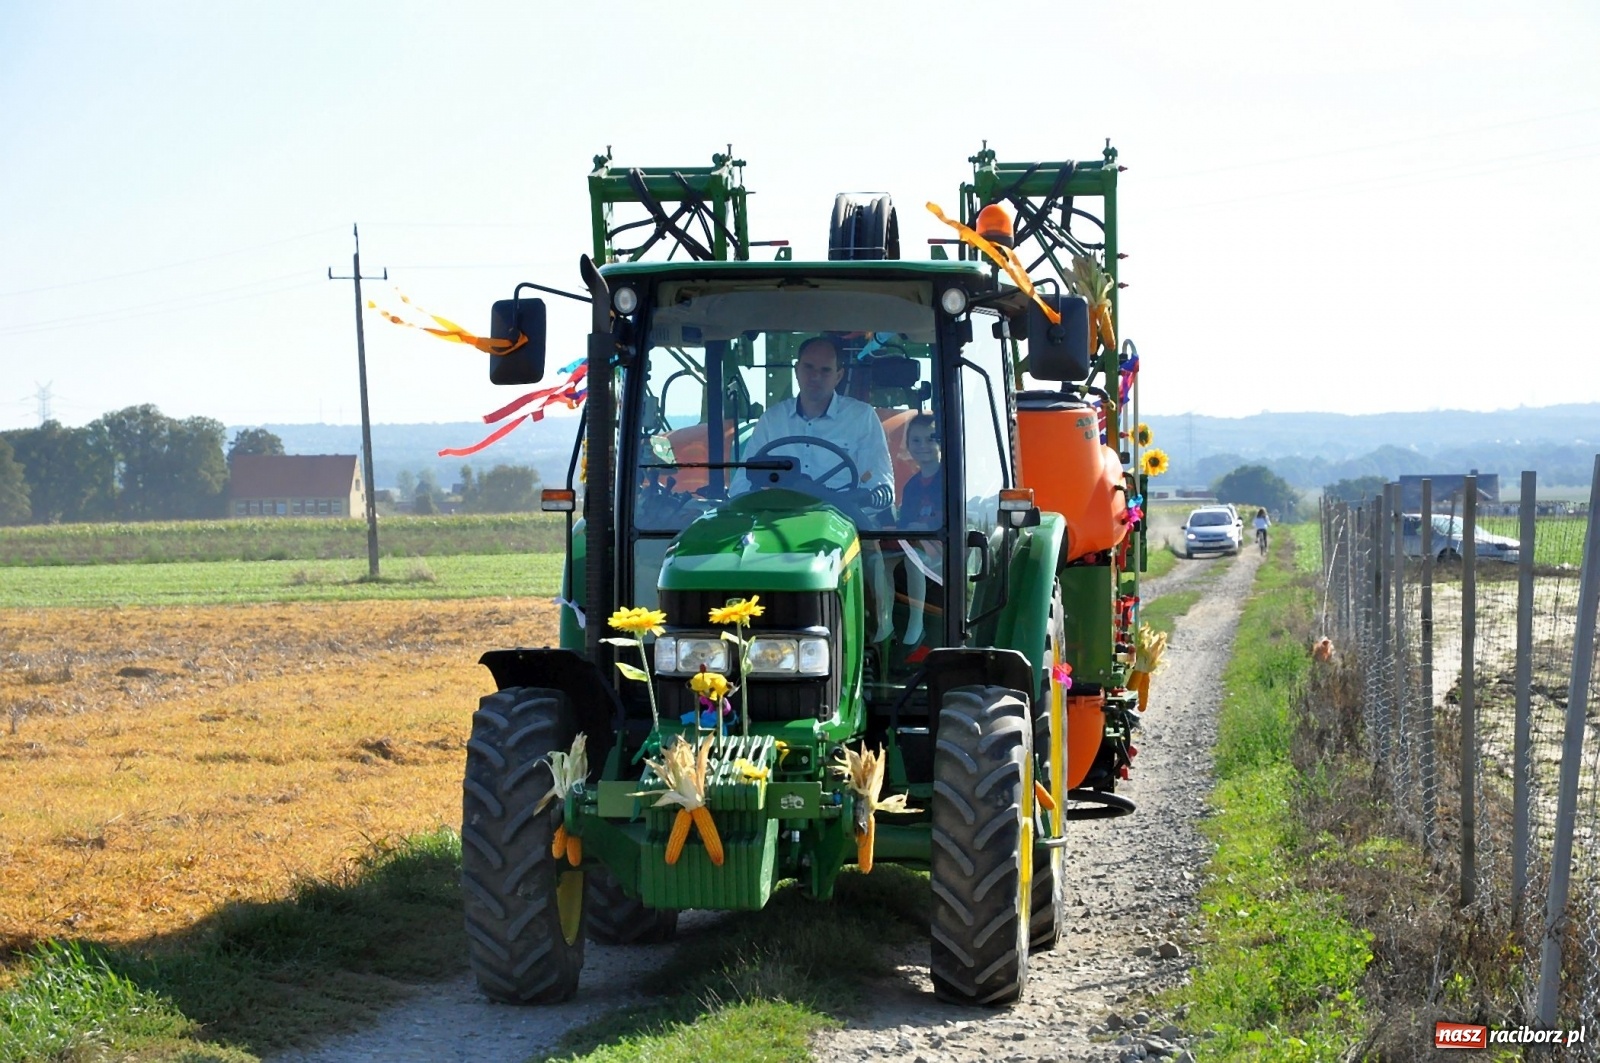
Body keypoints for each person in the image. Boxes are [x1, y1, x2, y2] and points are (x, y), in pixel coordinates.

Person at [736, 335, 897, 641]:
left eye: (825, 370)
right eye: (809, 367)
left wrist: (862, 497)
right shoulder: (773, 420)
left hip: (843, 523)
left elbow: (882, 484)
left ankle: (876, 634)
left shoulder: (861, 417)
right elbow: (743, 484)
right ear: (797, 370)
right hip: (777, 524)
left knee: (871, 558)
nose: (815, 376)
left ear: (839, 375)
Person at [896, 414, 944, 647]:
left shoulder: (950, 480)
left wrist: (925, 526)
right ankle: (883, 624)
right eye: (916, 440)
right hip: (915, 544)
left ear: (941, 442)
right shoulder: (912, 486)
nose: (923, 446)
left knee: (912, 558)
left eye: (930, 439)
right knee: (876, 560)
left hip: (941, 546)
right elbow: (905, 522)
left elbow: (949, 518)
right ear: (908, 444)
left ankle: (916, 625)